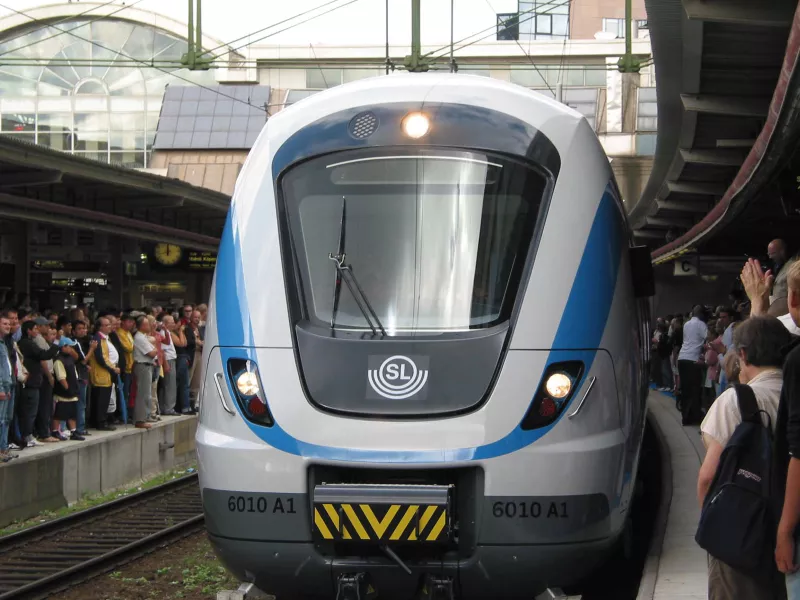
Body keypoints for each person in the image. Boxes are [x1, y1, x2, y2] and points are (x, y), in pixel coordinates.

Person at [698, 316, 791, 599]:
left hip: (742, 537)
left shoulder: (735, 401)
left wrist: (711, 526)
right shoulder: (795, 395)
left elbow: (709, 476)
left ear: (743, 354)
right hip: (791, 528)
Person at [51, 338, 85, 441]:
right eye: (69, 347)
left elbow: (77, 357)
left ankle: (73, 431)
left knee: (72, 413)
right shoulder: (59, 360)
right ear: (63, 347)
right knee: (59, 413)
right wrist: (67, 388)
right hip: (63, 392)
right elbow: (61, 377)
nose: (71, 349)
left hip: (72, 390)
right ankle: (55, 431)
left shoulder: (69, 358)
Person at [678, 306, 708, 425]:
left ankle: (685, 416)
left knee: (685, 389)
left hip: (682, 357)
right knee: (695, 389)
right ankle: (695, 416)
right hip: (693, 359)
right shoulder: (701, 325)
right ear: (701, 314)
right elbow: (708, 338)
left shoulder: (686, 324)